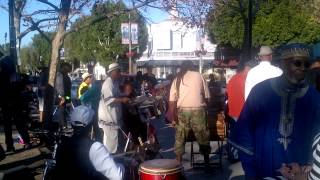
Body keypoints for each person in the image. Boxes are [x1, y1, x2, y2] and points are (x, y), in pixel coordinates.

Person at [229, 43, 320, 179]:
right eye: (297, 63)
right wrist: (251, 171)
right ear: (283, 63)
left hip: (299, 173)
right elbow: (244, 133)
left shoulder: (314, 96)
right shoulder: (260, 92)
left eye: (307, 64)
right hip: (263, 169)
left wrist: (311, 165)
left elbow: (317, 134)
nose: (302, 68)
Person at [53, 105, 124, 180]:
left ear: (72, 124)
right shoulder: (95, 147)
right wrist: (122, 166)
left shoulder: (61, 144)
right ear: (91, 125)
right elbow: (117, 176)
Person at [168, 61, 211, 165]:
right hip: (198, 110)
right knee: (203, 135)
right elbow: (208, 97)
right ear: (192, 67)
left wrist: (173, 118)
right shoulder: (199, 76)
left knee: (180, 136)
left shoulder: (177, 78)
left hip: (183, 111)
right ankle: (207, 163)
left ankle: (178, 163)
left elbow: (172, 101)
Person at [226, 60, 258, 161]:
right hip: (243, 111)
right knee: (245, 136)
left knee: (235, 133)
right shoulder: (250, 79)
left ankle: (232, 153)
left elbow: (227, 94)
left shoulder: (233, 78)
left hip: (232, 111)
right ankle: (243, 154)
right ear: (251, 68)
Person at [0, 55, 31, 152]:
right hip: (14, 102)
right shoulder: (16, 75)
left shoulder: (3, 76)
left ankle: (10, 146)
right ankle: (25, 142)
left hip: (7, 103)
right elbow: (23, 85)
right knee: (19, 124)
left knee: (8, 126)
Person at [98, 63, 130, 153]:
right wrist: (122, 99)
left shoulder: (114, 82)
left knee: (114, 144)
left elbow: (115, 95)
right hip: (108, 120)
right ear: (113, 72)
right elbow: (108, 100)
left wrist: (124, 95)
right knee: (110, 148)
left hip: (114, 119)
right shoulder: (108, 83)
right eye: (118, 71)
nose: (120, 73)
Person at [54, 62, 72, 127]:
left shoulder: (66, 76)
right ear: (63, 67)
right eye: (67, 69)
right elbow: (59, 87)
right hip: (61, 97)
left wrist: (69, 100)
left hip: (66, 97)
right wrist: (61, 97)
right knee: (62, 110)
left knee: (65, 110)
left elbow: (68, 89)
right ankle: (63, 125)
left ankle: (64, 125)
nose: (68, 71)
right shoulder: (59, 75)